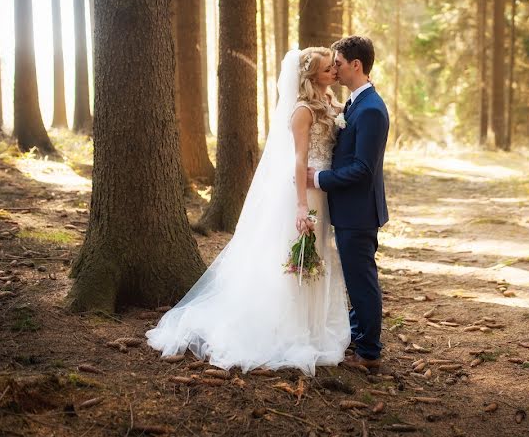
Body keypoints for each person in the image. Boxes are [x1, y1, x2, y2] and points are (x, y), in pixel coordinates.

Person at [146, 48, 350, 376]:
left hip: (323, 192)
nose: (334, 74)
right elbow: (299, 160)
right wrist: (301, 205)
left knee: (316, 258)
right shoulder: (302, 111)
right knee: (300, 257)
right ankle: (292, 328)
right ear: (313, 76)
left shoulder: (329, 104)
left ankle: (313, 324)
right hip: (307, 194)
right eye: (329, 70)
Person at [308, 36, 390, 373]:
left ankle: (369, 353)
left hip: (358, 211)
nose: (334, 69)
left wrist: (319, 179)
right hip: (350, 209)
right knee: (356, 279)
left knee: (361, 281)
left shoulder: (370, 109)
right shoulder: (357, 103)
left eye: (338, 63)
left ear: (356, 65)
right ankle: (360, 337)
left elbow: (362, 169)